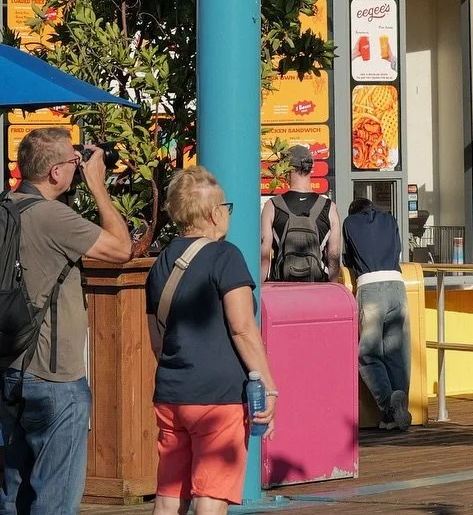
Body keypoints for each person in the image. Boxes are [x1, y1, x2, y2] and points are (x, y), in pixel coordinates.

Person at [0, 129, 133, 515]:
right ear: (56, 172)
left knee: (12, 495)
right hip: (54, 379)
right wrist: (97, 186)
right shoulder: (54, 217)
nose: (78, 169)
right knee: (55, 500)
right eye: (74, 164)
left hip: (9, 369)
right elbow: (122, 248)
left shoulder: (6, 205)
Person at [146, 167, 279, 514]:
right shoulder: (226, 257)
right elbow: (242, 329)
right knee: (211, 497)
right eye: (226, 207)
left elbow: (157, 342)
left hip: (172, 394)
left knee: (168, 497)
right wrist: (270, 385)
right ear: (212, 213)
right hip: (218, 399)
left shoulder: (160, 262)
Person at [342, 196, 411, 432]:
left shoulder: (350, 223)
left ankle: (388, 404)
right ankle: (397, 414)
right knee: (397, 354)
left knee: (368, 354)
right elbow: (399, 249)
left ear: (354, 211)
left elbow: (348, 259)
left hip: (370, 287)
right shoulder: (390, 220)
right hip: (397, 285)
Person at [259, 148, 341, 283]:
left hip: (282, 289)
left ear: (288, 168)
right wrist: (333, 287)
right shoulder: (328, 207)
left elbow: (264, 257)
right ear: (311, 168)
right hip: (317, 289)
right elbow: (333, 256)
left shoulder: (272, 205)